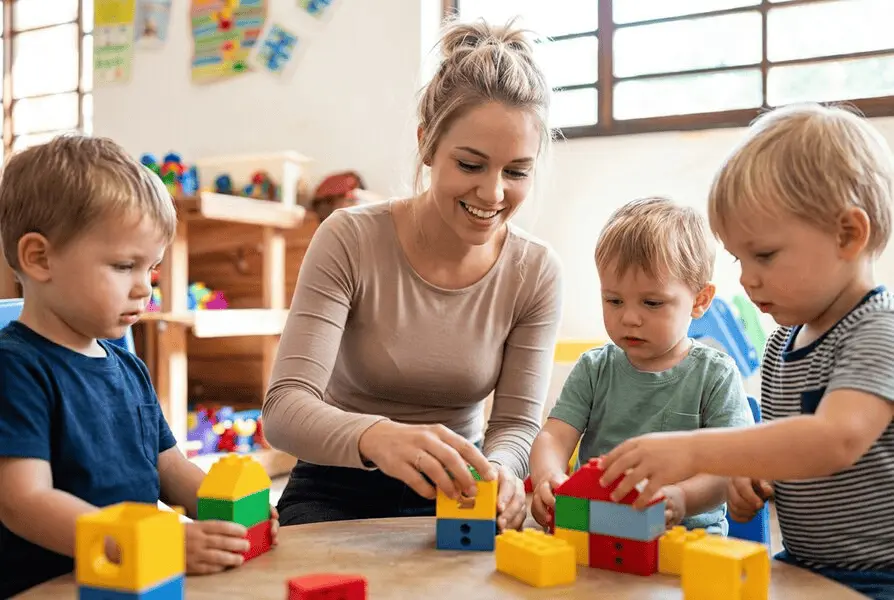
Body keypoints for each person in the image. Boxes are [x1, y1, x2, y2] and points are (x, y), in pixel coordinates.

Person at [263, 18, 562, 532]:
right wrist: (377, 437)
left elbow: (514, 425)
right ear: (427, 145)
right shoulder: (349, 238)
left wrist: (503, 472)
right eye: (470, 165)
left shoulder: (536, 272)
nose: (493, 193)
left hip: (461, 489)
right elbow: (284, 409)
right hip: (336, 484)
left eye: (516, 172)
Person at [598, 103, 894, 600]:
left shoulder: (876, 331)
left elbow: (835, 440)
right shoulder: (782, 344)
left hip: (880, 576)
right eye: (739, 257)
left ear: (848, 234)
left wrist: (691, 448)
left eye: (764, 255)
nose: (746, 277)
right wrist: (748, 484)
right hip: (803, 564)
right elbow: (782, 456)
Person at [0, 135, 279, 598]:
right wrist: (160, 541)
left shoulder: (127, 368)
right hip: (50, 585)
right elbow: (23, 501)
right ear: (40, 257)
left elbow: (169, 468)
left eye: (151, 269)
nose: (144, 290)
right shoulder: (16, 368)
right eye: (124, 265)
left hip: (138, 578)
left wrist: (226, 509)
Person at [528, 197, 753, 534]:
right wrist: (548, 476)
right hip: (596, 530)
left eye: (652, 302)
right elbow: (554, 437)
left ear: (700, 300)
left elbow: (731, 468)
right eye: (613, 300)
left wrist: (681, 499)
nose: (629, 318)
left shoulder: (715, 375)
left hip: (684, 537)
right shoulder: (594, 368)